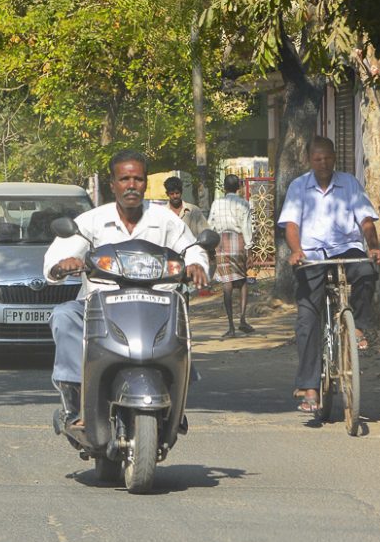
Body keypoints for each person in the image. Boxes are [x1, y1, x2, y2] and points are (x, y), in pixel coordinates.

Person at [45, 149, 210, 426]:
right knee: (64, 315)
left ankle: (176, 396)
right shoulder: (92, 221)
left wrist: (196, 265)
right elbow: (54, 260)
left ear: (146, 183)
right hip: (99, 306)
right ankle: (75, 399)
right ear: (112, 184)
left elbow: (192, 248)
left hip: (155, 305)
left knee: (180, 320)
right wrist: (64, 264)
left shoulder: (166, 220)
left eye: (138, 179)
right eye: (124, 179)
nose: (131, 185)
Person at [277, 136, 380, 414]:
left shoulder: (349, 183)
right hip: (311, 254)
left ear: (334, 157)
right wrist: (297, 250)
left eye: (327, 158)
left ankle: (357, 326)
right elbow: (291, 224)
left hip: (346, 248)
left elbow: (366, 220)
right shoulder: (299, 186)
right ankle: (309, 387)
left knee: (366, 271)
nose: (323, 163)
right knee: (307, 318)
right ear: (309, 161)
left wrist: (373, 247)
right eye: (317, 159)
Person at [208, 173, 257, 337]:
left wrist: (210, 248)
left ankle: (231, 326)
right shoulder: (243, 203)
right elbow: (246, 227)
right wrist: (249, 250)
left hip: (221, 243)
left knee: (227, 284)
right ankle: (243, 319)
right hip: (238, 242)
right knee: (242, 280)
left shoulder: (216, 203)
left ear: (224, 188)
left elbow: (211, 225)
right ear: (239, 187)